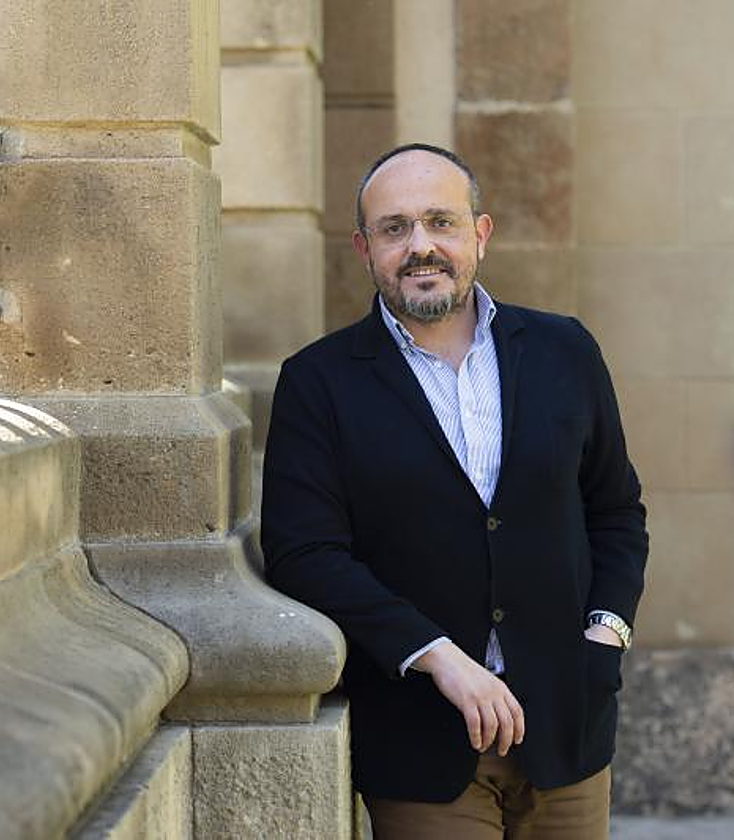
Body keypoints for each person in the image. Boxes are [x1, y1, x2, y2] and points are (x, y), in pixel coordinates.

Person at [260, 143, 648, 839]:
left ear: (480, 233)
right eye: (394, 228)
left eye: (441, 221)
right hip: (421, 743)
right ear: (364, 248)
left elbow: (615, 510)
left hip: (569, 729)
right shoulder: (318, 382)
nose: (420, 247)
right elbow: (305, 552)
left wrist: (606, 637)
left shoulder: (567, 351)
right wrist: (437, 657)